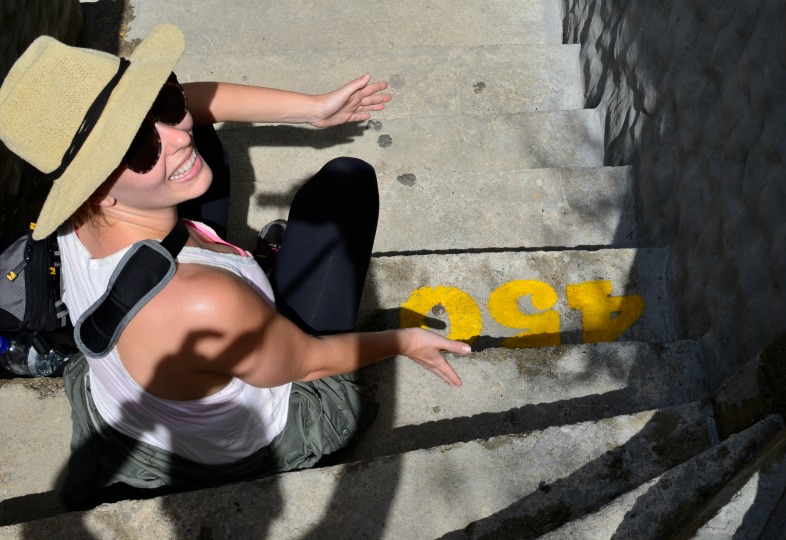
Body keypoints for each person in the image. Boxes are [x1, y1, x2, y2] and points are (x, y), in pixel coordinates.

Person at [0, 24, 470, 508]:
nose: (177, 137)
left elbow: (195, 105)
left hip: (121, 414)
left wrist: (312, 110)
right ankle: (266, 281)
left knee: (200, 140)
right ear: (96, 186)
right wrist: (405, 341)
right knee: (347, 186)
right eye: (138, 147)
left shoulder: (77, 218)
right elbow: (308, 362)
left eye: (162, 104)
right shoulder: (205, 299)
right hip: (242, 435)